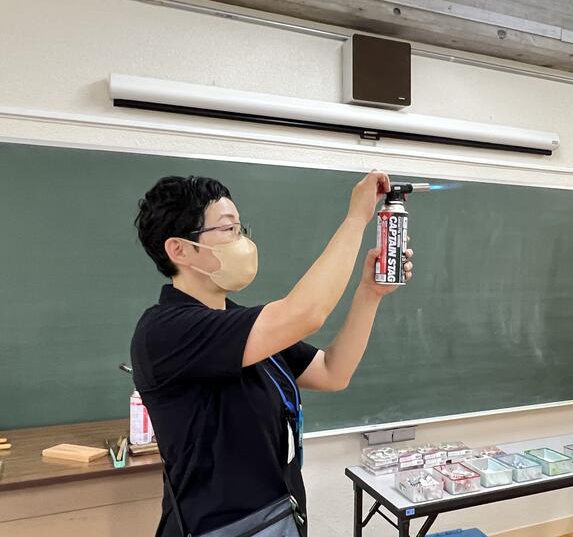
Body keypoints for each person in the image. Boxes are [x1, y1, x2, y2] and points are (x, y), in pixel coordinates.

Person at [130, 171, 413, 536]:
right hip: (220, 528)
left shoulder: (243, 326)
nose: (242, 241)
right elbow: (307, 313)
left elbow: (333, 371)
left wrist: (369, 293)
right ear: (179, 249)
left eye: (240, 229)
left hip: (279, 516)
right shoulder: (165, 331)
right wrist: (356, 218)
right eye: (228, 229)